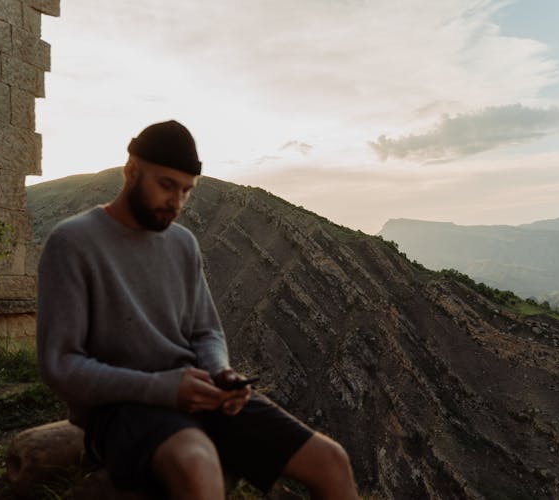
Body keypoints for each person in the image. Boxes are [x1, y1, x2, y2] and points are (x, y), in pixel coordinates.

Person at [36, 120, 358, 499]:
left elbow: (206, 331)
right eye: (166, 185)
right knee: (197, 463)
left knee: (330, 460)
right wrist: (162, 389)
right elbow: (61, 366)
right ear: (131, 171)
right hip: (120, 408)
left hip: (199, 392)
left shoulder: (183, 244)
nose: (177, 203)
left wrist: (219, 372)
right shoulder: (72, 242)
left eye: (186, 191)